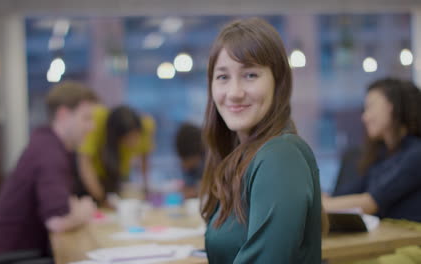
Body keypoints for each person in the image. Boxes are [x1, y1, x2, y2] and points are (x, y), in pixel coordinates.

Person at [200, 17, 325, 263]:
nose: (234, 93)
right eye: (223, 77)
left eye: (250, 75)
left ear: (278, 82)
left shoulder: (280, 156)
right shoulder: (241, 157)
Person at [0, 81, 98, 256]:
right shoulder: (50, 153)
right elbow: (57, 221)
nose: (92, 127)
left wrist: (74, 211)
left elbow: (64, 205)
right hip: (12, 257)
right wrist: (85, 211)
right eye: (86, 118)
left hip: (9, 252)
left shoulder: (47, 143)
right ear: (63, 115)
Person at [324, 78, 421, 222]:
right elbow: (346, 195)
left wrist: (320, 206)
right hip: (382, 238)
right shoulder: (381, 155)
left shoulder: (416, 154)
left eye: (370, 107)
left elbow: (370, 203)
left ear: (392, 105)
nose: (365, 117)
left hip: (407, 240)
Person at [77, 105, 155, 205]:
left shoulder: (146, 126)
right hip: (96, 177)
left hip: (119, 175)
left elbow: (145, 158)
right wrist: (102, 199)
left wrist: (146, 187)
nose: (134, 143)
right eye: (128, 139)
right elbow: (84, 164)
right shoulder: (97, 122)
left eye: (136, 136)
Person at [174, 122, 204, 198]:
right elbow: (187, 186)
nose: (185, 165)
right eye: (182, 160)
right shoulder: (188, 166)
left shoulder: (212, 160)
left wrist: (197, 191)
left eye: (186, 160)